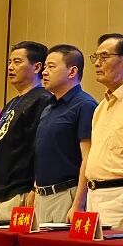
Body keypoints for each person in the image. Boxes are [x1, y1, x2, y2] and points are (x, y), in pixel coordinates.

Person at [70, 34, 123, 230]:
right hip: (95, 196)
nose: (97, 63)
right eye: (96, 57)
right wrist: (78, 204)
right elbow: (91, 158)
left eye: (104, 57)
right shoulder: (101, 106)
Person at [0, 41, 53, 222]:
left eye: (17, 62)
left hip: (20, 192)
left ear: (37, 67)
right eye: (9, 62)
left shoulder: (43, 99)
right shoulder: (12, 102)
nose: (10, 67)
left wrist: (34, 189)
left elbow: (40, 149)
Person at [33, 45, 97, 224]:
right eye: (45, 66)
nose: (44, 72)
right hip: (42, 196)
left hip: (67, 194)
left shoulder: (85, 105)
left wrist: (78, 204)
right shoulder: (49, 106)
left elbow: (88, 158)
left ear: (72, 71)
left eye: (51, 66)